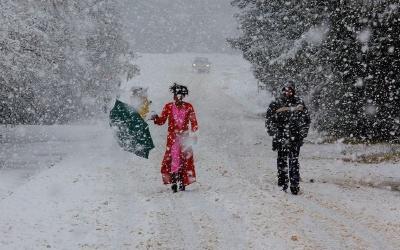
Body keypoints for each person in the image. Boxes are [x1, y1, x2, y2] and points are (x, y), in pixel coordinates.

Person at [151, 83, 199, 193]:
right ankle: (173, 181)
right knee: (174, 159)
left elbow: (194, 122)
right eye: (177, 95)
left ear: (183, 96)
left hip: (185, 138)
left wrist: (194, 134)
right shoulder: (168, 107)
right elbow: (162, 121)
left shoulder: (188, 107)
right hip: (172, 139)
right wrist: (155, 118)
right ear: (173, 96)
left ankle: (182, 181)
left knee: (184, 160)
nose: (179, 97)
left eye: (181, 95)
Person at [265, 81, 310, 195]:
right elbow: (269, 120)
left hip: (295, 137)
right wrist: (275, 133)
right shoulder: (276, 103)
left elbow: (306, 119)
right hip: (281, 137)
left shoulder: (299, 103)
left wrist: (303, 132)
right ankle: (282, 183)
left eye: (290, 90)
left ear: (293, 91)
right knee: (281, 161)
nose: (288, 92)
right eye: (286, 90)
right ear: (283, 91)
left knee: (294, 161)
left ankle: (294, 185)